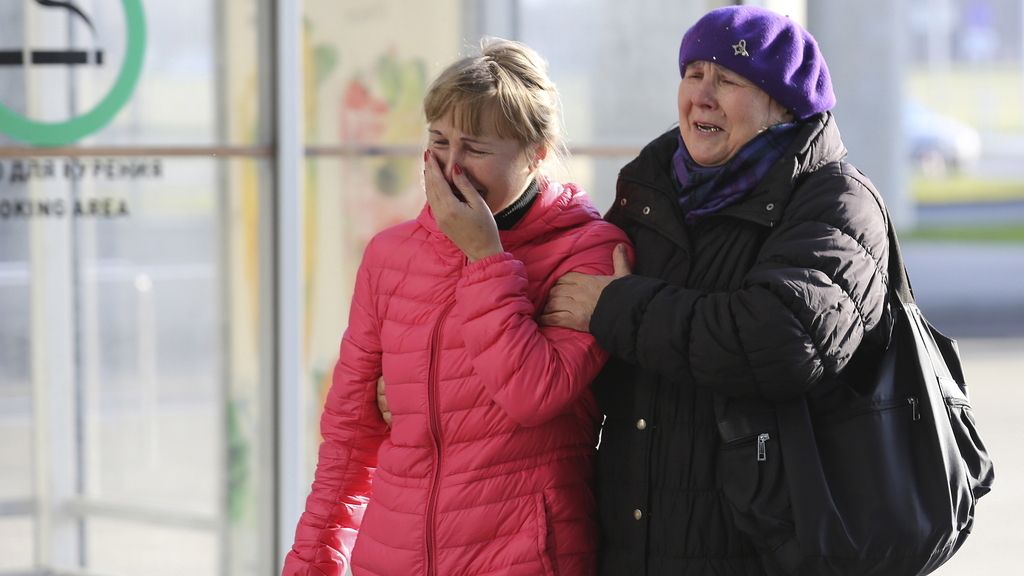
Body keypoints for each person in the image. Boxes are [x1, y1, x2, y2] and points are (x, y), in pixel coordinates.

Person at [540, 6, 891, 575]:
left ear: (784, 105)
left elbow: (781, 340)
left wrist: (618, 307)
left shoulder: (836, 202)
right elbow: (566, 315)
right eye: (692, 74)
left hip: (766, 548)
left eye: (727, 80)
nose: (701, 96)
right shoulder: (650, 189)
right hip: (635, 542)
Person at [282, 38, 630, 576]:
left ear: (537, 153)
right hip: (392, 559)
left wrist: (485, 257)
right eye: (439, 141)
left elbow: (531, 393)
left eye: (475, 148)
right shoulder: (390, 255)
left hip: (525, 559)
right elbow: (349, 437)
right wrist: (310, 563)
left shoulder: (590, 252)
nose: (451, 167)